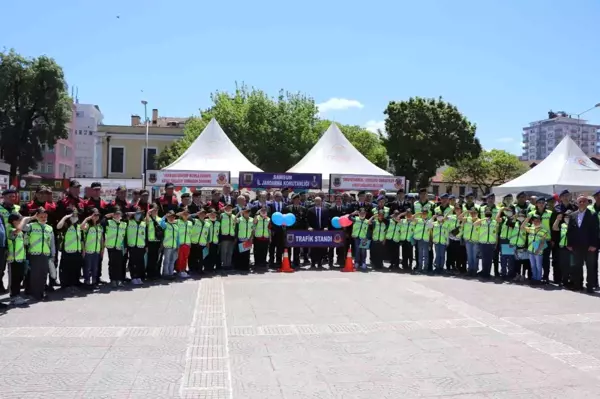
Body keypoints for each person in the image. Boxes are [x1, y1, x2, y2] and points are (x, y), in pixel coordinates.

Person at [19, 208, 55, 301]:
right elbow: (21, 226)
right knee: (35, 275)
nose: (43, 218)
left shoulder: (49, 228)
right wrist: (31, 217)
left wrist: (53, 255)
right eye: (41, 216)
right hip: (34, 254)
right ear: (37, 216)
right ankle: (35, 294)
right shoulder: (31, 226)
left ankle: (41, 292)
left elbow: (52, 243)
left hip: (45, 254)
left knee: (43, 274)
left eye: (45, 216)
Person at [567, 196, 599, 293]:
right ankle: (578, 285)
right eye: (580, 201)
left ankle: (590, 286)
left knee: (590, 266)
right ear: (577, 203)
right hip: (576, 246)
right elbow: (570, 231)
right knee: (577, 266)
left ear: (587, 203)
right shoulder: (573, 215)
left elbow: (596, 231)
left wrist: (594, 245)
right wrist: (569, 244)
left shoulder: (593, 215)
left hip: (589, 246)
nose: (582, 203)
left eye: (584, 201)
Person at [56, 207, 84, 290]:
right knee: (66, 269)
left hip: (77, 251)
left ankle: (75, 283)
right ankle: (66, 285)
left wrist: (83, 251)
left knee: (76, 268)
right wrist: (65, 217)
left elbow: (81, 239)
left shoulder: (78, 225)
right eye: (73, 215)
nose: (75, 217)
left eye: (76, 215)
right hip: (67, 251)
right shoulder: (65, 225)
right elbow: (58, 227)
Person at [0, 188, 21, 293]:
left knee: (14, 267)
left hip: (16, 241)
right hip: (3, 242)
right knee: (1, 267)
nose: (13, 199)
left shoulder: (18, 208)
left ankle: (12, 288)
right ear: (3, 197)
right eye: (10, 197)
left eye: (14, 196)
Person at [6, 214, 27, 305]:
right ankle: (13, 296)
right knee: (14, 279)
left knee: (20, 277)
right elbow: (16, 231)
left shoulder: (21, 232)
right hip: (13, 259)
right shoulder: (11, 230)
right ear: (14, 221)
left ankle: (17, 295)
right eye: (20, 220)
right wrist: (25, 219)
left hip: (20, 258)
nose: (21, 222)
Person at [81, 209, 104, 289]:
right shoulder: (88, 225)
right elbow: (81, 227)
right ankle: (87, 282)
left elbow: (101, 239)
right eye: (94, 215)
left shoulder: (99, 226)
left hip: (96, 250)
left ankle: (94, 282)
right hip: (88, 250)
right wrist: (87, 219)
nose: (96, 217)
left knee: (95, 268)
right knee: (87, 267)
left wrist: (102, 249)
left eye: (97, 215)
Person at [104, 209, 127, 287]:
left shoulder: (124, 224)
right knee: (112, 264)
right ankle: (113, 280)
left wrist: (125, 246)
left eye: (119, 214)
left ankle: (119, 280)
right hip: (111, 247)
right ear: (113, 215)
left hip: (119, 247)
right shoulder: (109, 222)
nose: (117, 216)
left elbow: (125, 236)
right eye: (116, 214)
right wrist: (107, 216)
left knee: (119, 264)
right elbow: (101, 223)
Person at [126, 208, 147, 284]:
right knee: (132, 262)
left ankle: (138, 277)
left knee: (139, 262)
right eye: (136, 213)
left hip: (141, 245)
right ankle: (133, 277)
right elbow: (125, 214)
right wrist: (133, 212)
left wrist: (146, 246)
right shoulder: (129, 222)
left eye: (139, 214)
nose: (138, 215)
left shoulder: (143, 223)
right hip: (132, 245)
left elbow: (146, 235)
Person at [552, 211, 572, 287]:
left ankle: (571, 281)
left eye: (569, 217)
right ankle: (564, 281)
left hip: (571, 248)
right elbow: (554, 228)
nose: (567, 218)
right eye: (566, 216)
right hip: (562, 248)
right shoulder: (562, 225)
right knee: (563, 265)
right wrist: (558, 219)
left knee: (571, 265)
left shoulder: (574, 225)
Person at [475, 210, 497, 278]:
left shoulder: (494, 222)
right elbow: (474, 224)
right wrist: (483, 219)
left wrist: (496, 243)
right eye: (487, 216)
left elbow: (496, 233)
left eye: (489, 216)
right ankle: (484, 273)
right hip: (483, 243)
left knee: (489, 259)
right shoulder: (482, 221)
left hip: (491, 243)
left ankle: (488, 273)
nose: (488, 217)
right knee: (484, 259)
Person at [268, 191, 286, 267]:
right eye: (276, 196)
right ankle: (271, 261)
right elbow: (269, 217)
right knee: (272, 246)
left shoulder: (285, 205)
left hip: (282, 229)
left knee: (280, 246)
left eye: (279, 196)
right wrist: (271, 228)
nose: (278, 198)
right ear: (274, 197)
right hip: (273, 229)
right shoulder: (270, 205)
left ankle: (279, 261)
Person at [159, 210, 179, 278]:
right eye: (170, 217)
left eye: (173, 217)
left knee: (172, 260)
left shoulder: (176, 226)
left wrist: (178, 246)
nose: (171, 218)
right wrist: (165, 216)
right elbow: (160, 223)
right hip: (167, 245)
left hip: (174, 246)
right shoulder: (165, 225)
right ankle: (165, 273)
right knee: (166, 260)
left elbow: (178, 237)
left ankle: (171, 273)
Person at [460, 208, 480, 276]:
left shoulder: (479, 221)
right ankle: (470, 269)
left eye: (474, 213)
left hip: (475, 241)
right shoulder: (467, 219)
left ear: (477, 213)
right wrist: (466, 211)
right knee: (469, 256)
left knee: (475, 256)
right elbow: (459, 217)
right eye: (471, 213)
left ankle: (475, 270)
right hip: (468, 240)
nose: (472, 214)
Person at [145, 205, 163, 279]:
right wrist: (148, 213)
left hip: (158, 241)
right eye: (153, 210)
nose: (155, 212)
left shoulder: (160, 219)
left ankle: (156, 273)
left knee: (157, 258)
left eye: (156, 210)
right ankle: (150, 274)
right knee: (150, 259)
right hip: (150, 241)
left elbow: (163, 230)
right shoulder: (148, 219)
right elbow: (145, 223)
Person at [175, 207, 192, 278]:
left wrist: (190, 243)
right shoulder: (177, 221)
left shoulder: (190, 223)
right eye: (184, 214)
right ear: (181, 215)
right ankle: (179, 271)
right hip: (180, 243)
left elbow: (190, 233)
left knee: (185, 258)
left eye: (187, 214)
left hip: (187, 243)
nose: (185, 215)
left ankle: (184, 270)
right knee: (180, 258)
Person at [219, 204, 237, 270]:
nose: (229, 209)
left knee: (230, 252)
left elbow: (236, 227)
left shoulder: (234, 216)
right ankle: (224, 264)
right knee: (224, 251)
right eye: (227, 207)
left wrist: (235, 237)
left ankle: (228, 264)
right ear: (225, 208)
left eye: (230, 208)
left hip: (231, 237)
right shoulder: (222, 215)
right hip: (224, 236)